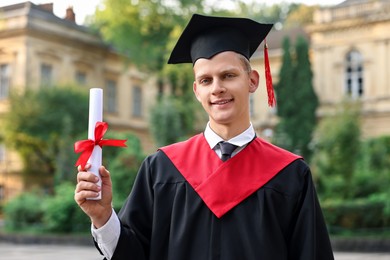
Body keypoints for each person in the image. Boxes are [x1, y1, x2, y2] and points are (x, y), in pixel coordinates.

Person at [74, 13, 334, 260]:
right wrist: (103, 217)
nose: (217, 88)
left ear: (252, 81)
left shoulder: (290, 174)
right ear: (196, 90)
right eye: (206, 80)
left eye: (228, 76)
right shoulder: (162, 168)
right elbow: (133, 255)